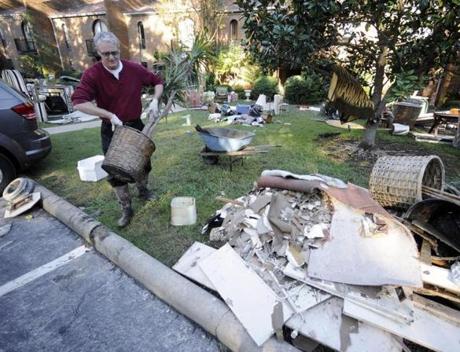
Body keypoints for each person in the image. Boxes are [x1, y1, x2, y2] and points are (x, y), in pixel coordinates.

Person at [72, 31, 163, 228]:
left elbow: (157, 81)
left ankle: (143, 190)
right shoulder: (93, 74)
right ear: (98, 53)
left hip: (136, 125)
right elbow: (78, 103)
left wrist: (155, 100)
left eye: (114, 52)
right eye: (106, 54)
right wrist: (109, 115)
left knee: (144, 163)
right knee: (115, 170)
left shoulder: (134, 69)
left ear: (119, 50)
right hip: (111, 128)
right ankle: (126, 208)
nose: (111, 57)